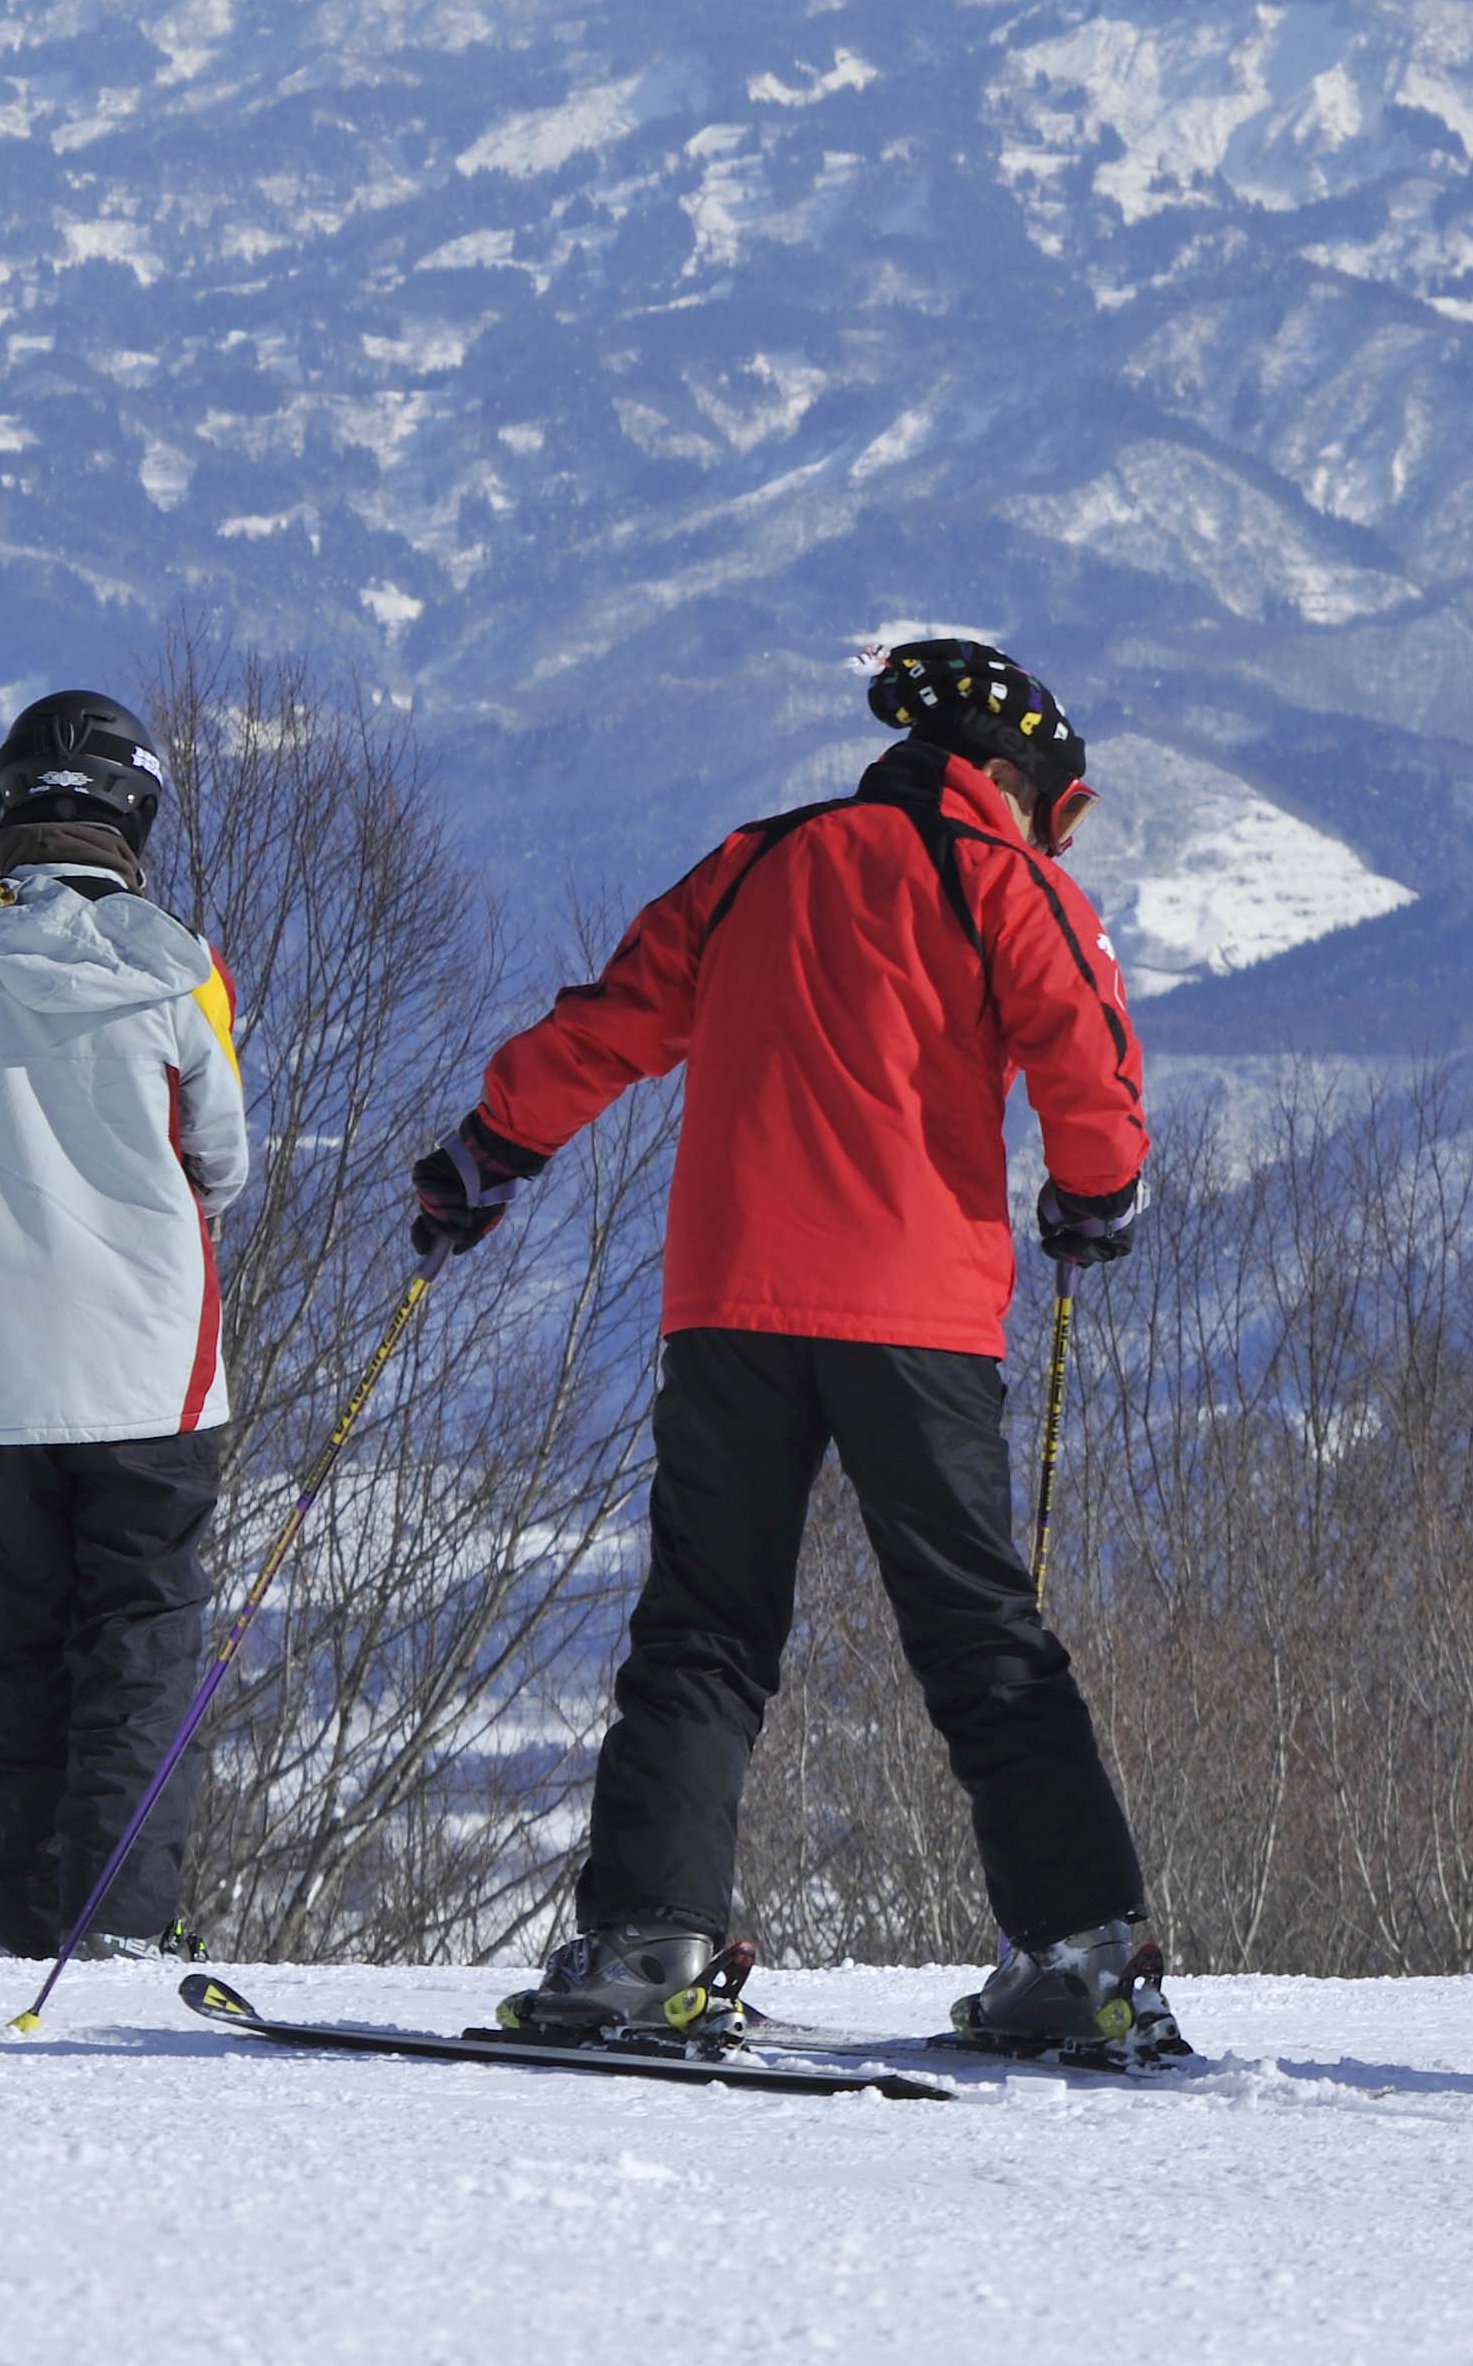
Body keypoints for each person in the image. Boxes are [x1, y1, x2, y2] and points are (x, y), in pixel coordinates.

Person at [413, 635, 1174, 2066]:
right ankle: (1079, 1954)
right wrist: (1096, 1192)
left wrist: (489, 1148)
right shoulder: (1002, 880)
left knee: (705, 1625)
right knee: (978, 1632)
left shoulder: (759, 860)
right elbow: (1088, 1056)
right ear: (1007, 775)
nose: (1053, 831)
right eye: (1059, 806)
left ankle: (648, 1945)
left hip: (733, 1299)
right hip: (917, 1312)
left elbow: (618, 1015)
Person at [0, 688, 251, 1959]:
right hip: (150, 1361)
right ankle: (124, 1929)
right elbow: (224, 1164)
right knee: (141, 1643)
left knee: (17, 1653)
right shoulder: (185, 970)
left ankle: (27, 1927)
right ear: (136, 816)